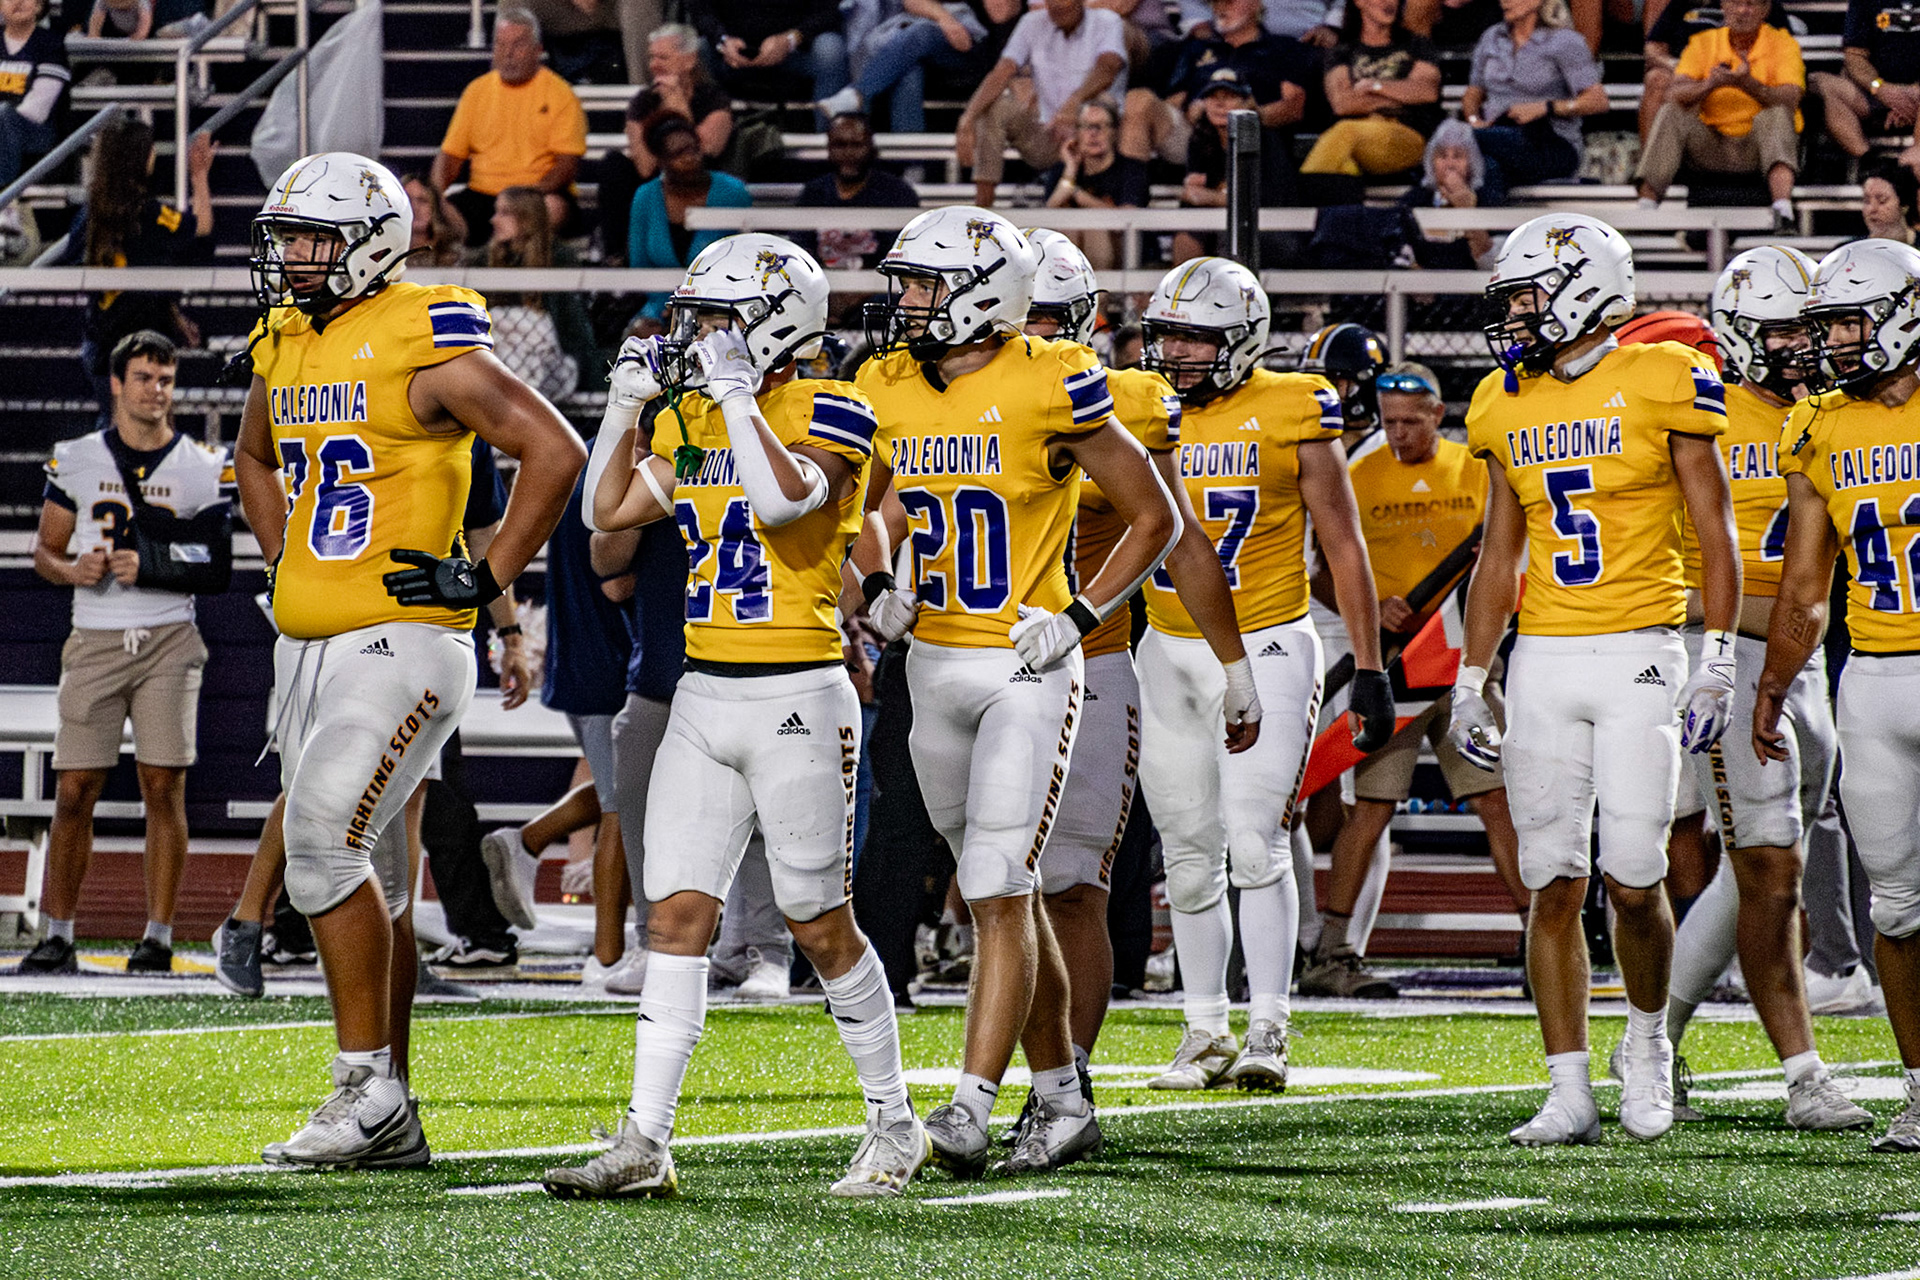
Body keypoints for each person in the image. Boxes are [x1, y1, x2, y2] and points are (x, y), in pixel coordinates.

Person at [549, 234, 925, 1199]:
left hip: (798, 692)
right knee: (675, 916)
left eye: (720, 318)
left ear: (776, 328)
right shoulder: (696, 417)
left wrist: (733, 399)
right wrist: (626, 407)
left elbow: (786, 502)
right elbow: (606, 515)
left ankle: (894, 1120)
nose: (703, 336)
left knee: (818, 922)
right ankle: (645, 1139)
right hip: (703, 693)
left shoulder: (836, 409)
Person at [235, 152, 584, 1169]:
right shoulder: (288, 340)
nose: (292, 259)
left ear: (369, 243)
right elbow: (256, 455)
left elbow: (550, 448)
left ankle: (366, 1088)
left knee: (319, 846)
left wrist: (491, 579)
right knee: (373, 877)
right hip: (310, 645)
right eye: (287, 239)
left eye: (310, 239)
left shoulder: (423, 330)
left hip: (402, 639)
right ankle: (391, 1109)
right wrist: (278, 549)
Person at [851, 208, 1181, 1175]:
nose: (905, 302)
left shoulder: (1052, 377)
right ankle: (1064, 1096)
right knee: (998, 887)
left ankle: (964, 1107)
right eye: (903, 283)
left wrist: (1079, 617)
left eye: (923, 284)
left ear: (984, 294)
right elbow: (864, 507)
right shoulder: (884, 384)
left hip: (1026, 666)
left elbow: (1154, 515)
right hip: (931, 661)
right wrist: (878, 585)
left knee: (999, 878)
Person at [1450, 212, 1739, 1147]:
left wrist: (1721, 654)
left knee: (1635, 873)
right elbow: (1501, 550)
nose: (1518, 316)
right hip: (1542, 658)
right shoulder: (1504, 398)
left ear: (1584, 288)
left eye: (1529, 295)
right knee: (1552, 881)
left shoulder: (1664, 374)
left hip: (1641, 648)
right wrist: (1470, 672)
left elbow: (1716, 524)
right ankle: (1567, 1086)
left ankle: (1648, 1043)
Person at [1010, 230, 1256, 1118]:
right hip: (969, 664)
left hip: (1095, 658)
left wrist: (1235, 664)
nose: (1021, 332)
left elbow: (1180, 538)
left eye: (1040, 316)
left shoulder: (1127, 404)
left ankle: (1063, 1078)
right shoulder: (937, 397)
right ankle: (1004, 1074)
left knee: (1073, 880)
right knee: (994, 885)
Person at [1134, 258, 1392, 1093]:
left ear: (1241, 341)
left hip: (1273, 640)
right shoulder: (1140, 407)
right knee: (1187, 853)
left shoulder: (1292, 407)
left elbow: (1344, 543)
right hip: (1168, 647)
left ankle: (1270, 1025)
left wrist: (1373, 666)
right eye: (1165, 333)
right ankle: (1203, 1028)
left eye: (1192, 337)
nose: (1172, 352)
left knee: (1254, 838)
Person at [1639, 246, 1874, 1132]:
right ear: (1738, 333)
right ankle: (1804, 1075)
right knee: (1771, 874)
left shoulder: (1830, 414)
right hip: (1731, 663)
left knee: (1760, 872)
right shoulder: (1700, 413)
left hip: (1807, 662)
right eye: (1782, 329)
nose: (1802, 345)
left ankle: (1654, 1036)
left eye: (1808, 327)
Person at [1759, 237, 1920, 1153]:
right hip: (1878, 678)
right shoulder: (1820, 424)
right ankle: (1919, 1088)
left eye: (1853, 321)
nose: (1838, 343)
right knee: (1895, 903)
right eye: (1830, 326)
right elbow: (1805, 591)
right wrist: (1773, 685)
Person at [1299, 362, 1527, 998]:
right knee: (1370, 808)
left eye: (1411, 420)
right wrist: (1375, 609)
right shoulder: (1357, 474)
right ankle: (1334, 953)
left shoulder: (1476, 469)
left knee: (1497, 799)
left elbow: (1508, 552)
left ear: (1436, 414)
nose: (1398, 433)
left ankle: (1541, 936)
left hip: (1465, 661)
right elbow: (1323, 570)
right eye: (1389, 421)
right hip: (1394, 667)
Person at [15, 331, 229, 976]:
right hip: (96, 635)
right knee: (75, 786)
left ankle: (158, 935)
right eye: (143, 377)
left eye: (164, 379)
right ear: (116, 383)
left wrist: (156, 562)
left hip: (167, 635)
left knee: (163, 786)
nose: (155, 390)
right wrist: (70, 569)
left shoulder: (199, 462)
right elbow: (44, 552)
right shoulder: (78, 457)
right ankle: (57, 932)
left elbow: (216, 562)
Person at [56, 116, 215, 416]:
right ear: (140, 157)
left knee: (117, 428)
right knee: (136, 435)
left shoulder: (87, 216)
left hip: (100, 343)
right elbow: (202, 227)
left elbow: (72, 262)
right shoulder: (152, 215)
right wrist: (199, 175)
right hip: (139, 349)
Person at [1635, 0, 1804, 231]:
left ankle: (1782, 209)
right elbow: (1674, 93)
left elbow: (1791, 98)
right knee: (1671, 111)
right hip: (1710, 144)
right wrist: (1709, 84)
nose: (1743, 10)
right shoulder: (1703, 43)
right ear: (1724, 6)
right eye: (1736, 3)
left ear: (1765, 11)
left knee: (1776, 114)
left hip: (1757, 146)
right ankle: (1646, 207)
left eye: (1751, 4)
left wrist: (1749, 84)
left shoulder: (1783, 44)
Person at [431, 9, 588, 246]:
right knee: (436, 213)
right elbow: (450, 157)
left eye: (518, 45)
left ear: (538, 50)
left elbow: (566, 167)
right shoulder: (476, 92)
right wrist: (434, 197)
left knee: (553, 208)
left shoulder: (561, 94)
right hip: (482, 196)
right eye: (501, 45)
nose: (508, 54)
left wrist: (523, 199)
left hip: (536, 195)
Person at [1118, 0, 1315, 184]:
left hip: (1256, 140)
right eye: (1216, 2)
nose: (1221, 8)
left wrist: (1247, 115)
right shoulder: (1196, 49)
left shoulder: (1284, 49)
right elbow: (1174, 101)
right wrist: (1192, 112)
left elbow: (1293, 106)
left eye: (1229, 2)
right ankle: (1129, 203)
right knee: (1138, 99)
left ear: (1255, 4)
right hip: (1197, 139)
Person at [956, 0, 1128, 208]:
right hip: (1051, 131)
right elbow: (1002, 71)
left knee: (1100, 105)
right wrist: (968, 117)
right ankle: (984, 207)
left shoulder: (1107, 21)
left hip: (1097, 135)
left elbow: (1109, 67)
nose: (1058, 7)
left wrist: (1074, 104)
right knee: (993, 107)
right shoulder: (1032, 23)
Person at [596, 25, 737, 262]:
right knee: (614, 164)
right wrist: (665, 110)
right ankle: (616, 258)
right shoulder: (643, 101)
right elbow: (646, 167)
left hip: (701, 183)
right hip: (653, 186)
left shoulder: (714, 99)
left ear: (689, 61)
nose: (654, 65)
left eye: (663, 57)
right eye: (652, 57)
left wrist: (679, 108)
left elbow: (703, 153)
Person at [1461, 0, 1607, 192]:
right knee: (1489, 168)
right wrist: (1474, 121)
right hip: (1495, 133)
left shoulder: (1564, 41)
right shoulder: (1492, 38)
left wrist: (1546, 107)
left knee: (1456, 139)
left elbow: (1598, 101)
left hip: (1550, 141)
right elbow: (1473, 94)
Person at [816, 0, 1018, 133]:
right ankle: (913, 168)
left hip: (983, 49)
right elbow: (912, 2)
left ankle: (856, 95)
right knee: (910, 67)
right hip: (931, 42)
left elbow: (999, 13)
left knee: (920, 34)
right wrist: (945, 19)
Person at [1299, 0, 1441, 183]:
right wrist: (1402, 95)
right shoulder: (1342, 51)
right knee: (1343, 166)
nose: (1389, 3)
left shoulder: (1416, 45)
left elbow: (1426, 91)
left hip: (1407, 133)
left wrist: (1375, 86)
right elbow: (1343, 104)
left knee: (1344, 131)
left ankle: (1298, 204)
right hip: (1356, 137)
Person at [627, 115, 753, 321]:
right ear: (661, 160)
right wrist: (670, 310)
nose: (690, 157)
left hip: (722, 306)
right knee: (640, 339)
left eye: (694, 149)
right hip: (660, 308)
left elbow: (745, 265)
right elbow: (640, 269)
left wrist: (694, 312)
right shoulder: (645, 197)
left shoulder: (733, 192)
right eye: (679, 153)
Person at [480, 186, 600, 401]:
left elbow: (573, 331)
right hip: (502, 358)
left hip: (552, 362)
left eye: (504, 213)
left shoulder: (560, 259)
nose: (493, 220)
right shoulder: (484, 261)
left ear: (527, 218)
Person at [793, 113, 920, 271]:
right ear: (829, 149)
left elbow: (900, 257)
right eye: (840, 145)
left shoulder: (898, 193)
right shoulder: (813, 192)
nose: (848, 153)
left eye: (857, 145)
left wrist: (861, 290)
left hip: (880, 287)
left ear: (871, 148)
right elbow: (801, 249)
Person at [1811, 0, 1920, 181]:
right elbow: (1854, 56)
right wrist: (1881, 89)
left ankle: (1915, 164)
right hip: (1875, 92)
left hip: (1916, 95)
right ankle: (1871, 163)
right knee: (1822, 83)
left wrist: (1913, 93)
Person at [689, 0, 850, 120]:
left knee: (831, 49)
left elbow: (829, 11)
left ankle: (833, 141)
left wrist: (791, 39)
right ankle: (705, 140)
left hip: (796, 50)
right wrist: (721, 40)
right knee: (696, 50)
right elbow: (700, 10)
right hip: (731, 52)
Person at [1043, 98, 1148, 272]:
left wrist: (1079, 197)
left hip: (1122, 254)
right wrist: (1070, 169)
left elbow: (1126, 220)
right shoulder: (1061, 171)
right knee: (1069, 226)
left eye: (1100, 126)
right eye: (1086, 127)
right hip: (1072, 250)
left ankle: (1099, 297)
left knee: (1092, 226)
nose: (1093, 134)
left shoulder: (1132, 170)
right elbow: (1048, 216)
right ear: (1077, 133)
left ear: (1114, 132)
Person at [1399, 119, 1501, 270]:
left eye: (1458, 156)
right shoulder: (1413, 200)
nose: (1450, 164)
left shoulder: (1488, 200)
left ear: (1472, 162)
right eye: (1442, 156)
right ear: (1431, 162)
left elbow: (1493, 264)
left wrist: (1466, 209)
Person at [0, 0, 64, 194]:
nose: (18, 2)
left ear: (39, 6)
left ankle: (4, 195)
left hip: (36, 133)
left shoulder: (51, 44)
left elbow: (38, 109)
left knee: (5, 113)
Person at [402, 173, 469, 267]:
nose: (414, 207)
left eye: (422, 200)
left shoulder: (453, 257)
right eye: (408, 200)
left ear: (435, 207)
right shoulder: (384, 254)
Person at [1861, 161, 1920, 244]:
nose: (1872, 209)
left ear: (1904, 205)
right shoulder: (1849, 250)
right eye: (1866, 201)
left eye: (1882, 201)